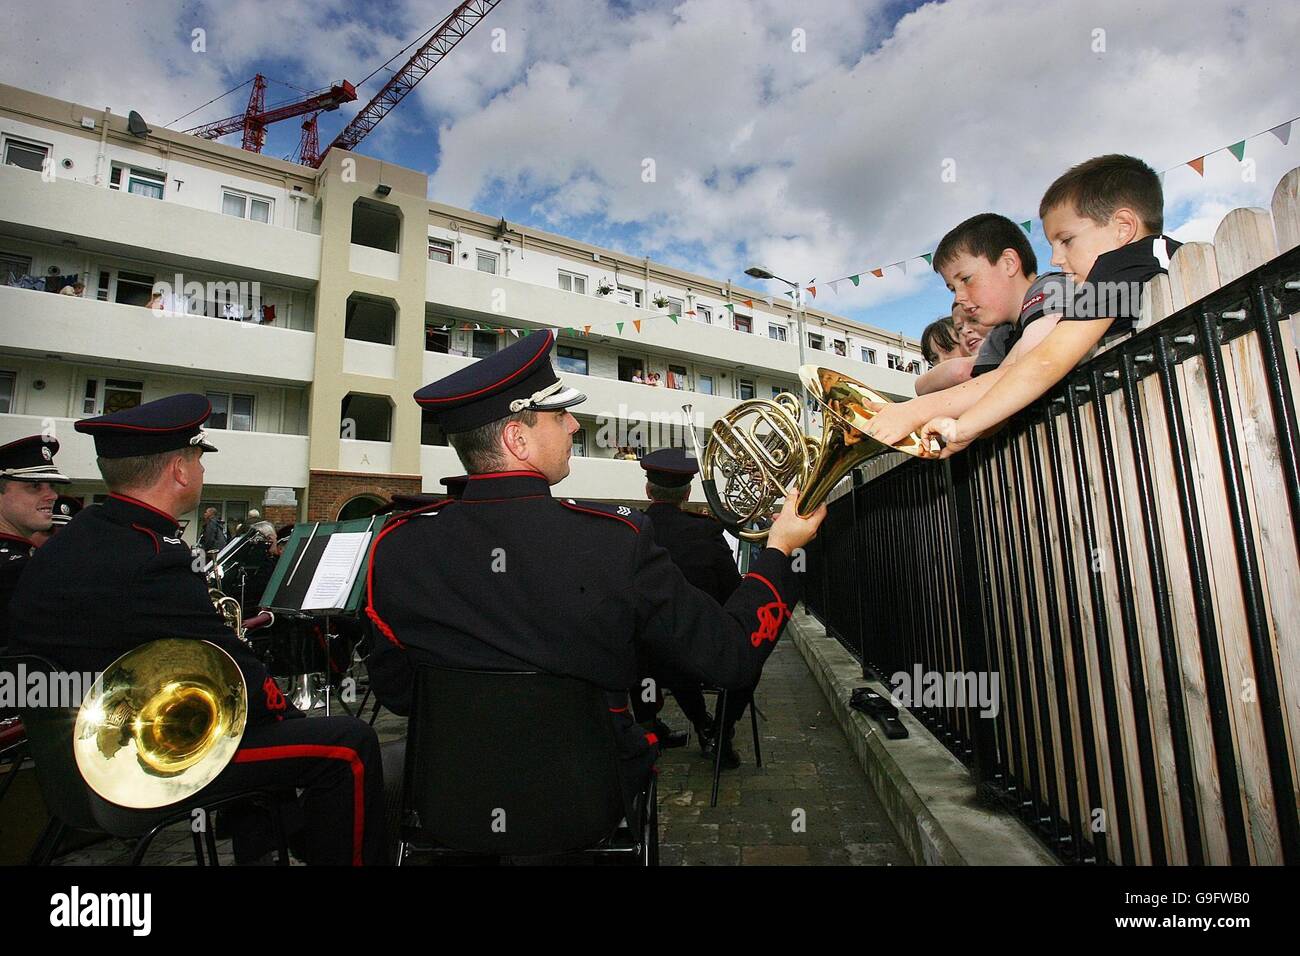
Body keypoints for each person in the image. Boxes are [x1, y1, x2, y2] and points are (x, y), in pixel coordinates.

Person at [366, 330, 825, 803]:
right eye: (559, 413)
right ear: (516, 438)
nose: (574, 426)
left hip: (452, 800)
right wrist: (781, 550)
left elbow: (398, 692)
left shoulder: (395, 545)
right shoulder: (613, 540)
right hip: (582, 801)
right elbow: (729, 657)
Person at [8, 394, 387, 865]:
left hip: (71, 762)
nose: (202, 471)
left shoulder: (82, 537)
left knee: (264, 747)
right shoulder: (151, 556)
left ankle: (269, 848)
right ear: (181, 471)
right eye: (199, 459)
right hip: (123, 767)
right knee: (348, 744)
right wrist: (290, 715)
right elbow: (237, 666)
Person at [915, 154, 1179, 456]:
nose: (1054, 259)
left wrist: (963, 427)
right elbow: (1011, 376)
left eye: (1066, 240)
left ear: (1123, 227)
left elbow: (1044, 362)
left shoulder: (1118, 264)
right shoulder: (1127, 271)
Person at [864, 213, 1065, 444]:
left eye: (966, 279)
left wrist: (916, 411)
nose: (960, 297)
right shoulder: (1001, 335)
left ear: (1009, 263)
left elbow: (1029, 370)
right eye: (952, 289)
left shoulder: (1051, 289)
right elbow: (992, 398)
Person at [632, 447, 753, 769]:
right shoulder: (705, 529)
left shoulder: (629, 528)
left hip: (643, 659)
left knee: (649, 651)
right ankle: (717, 733)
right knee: (746, 659)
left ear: (648, 490)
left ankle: (648, 728)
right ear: (686, 492)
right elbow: (733, 591)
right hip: (694, 651)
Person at [0, 436, 70, 648]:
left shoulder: (20, 560)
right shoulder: (12, 570)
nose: (53, 496)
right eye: (35, 486)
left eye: (51, 486)